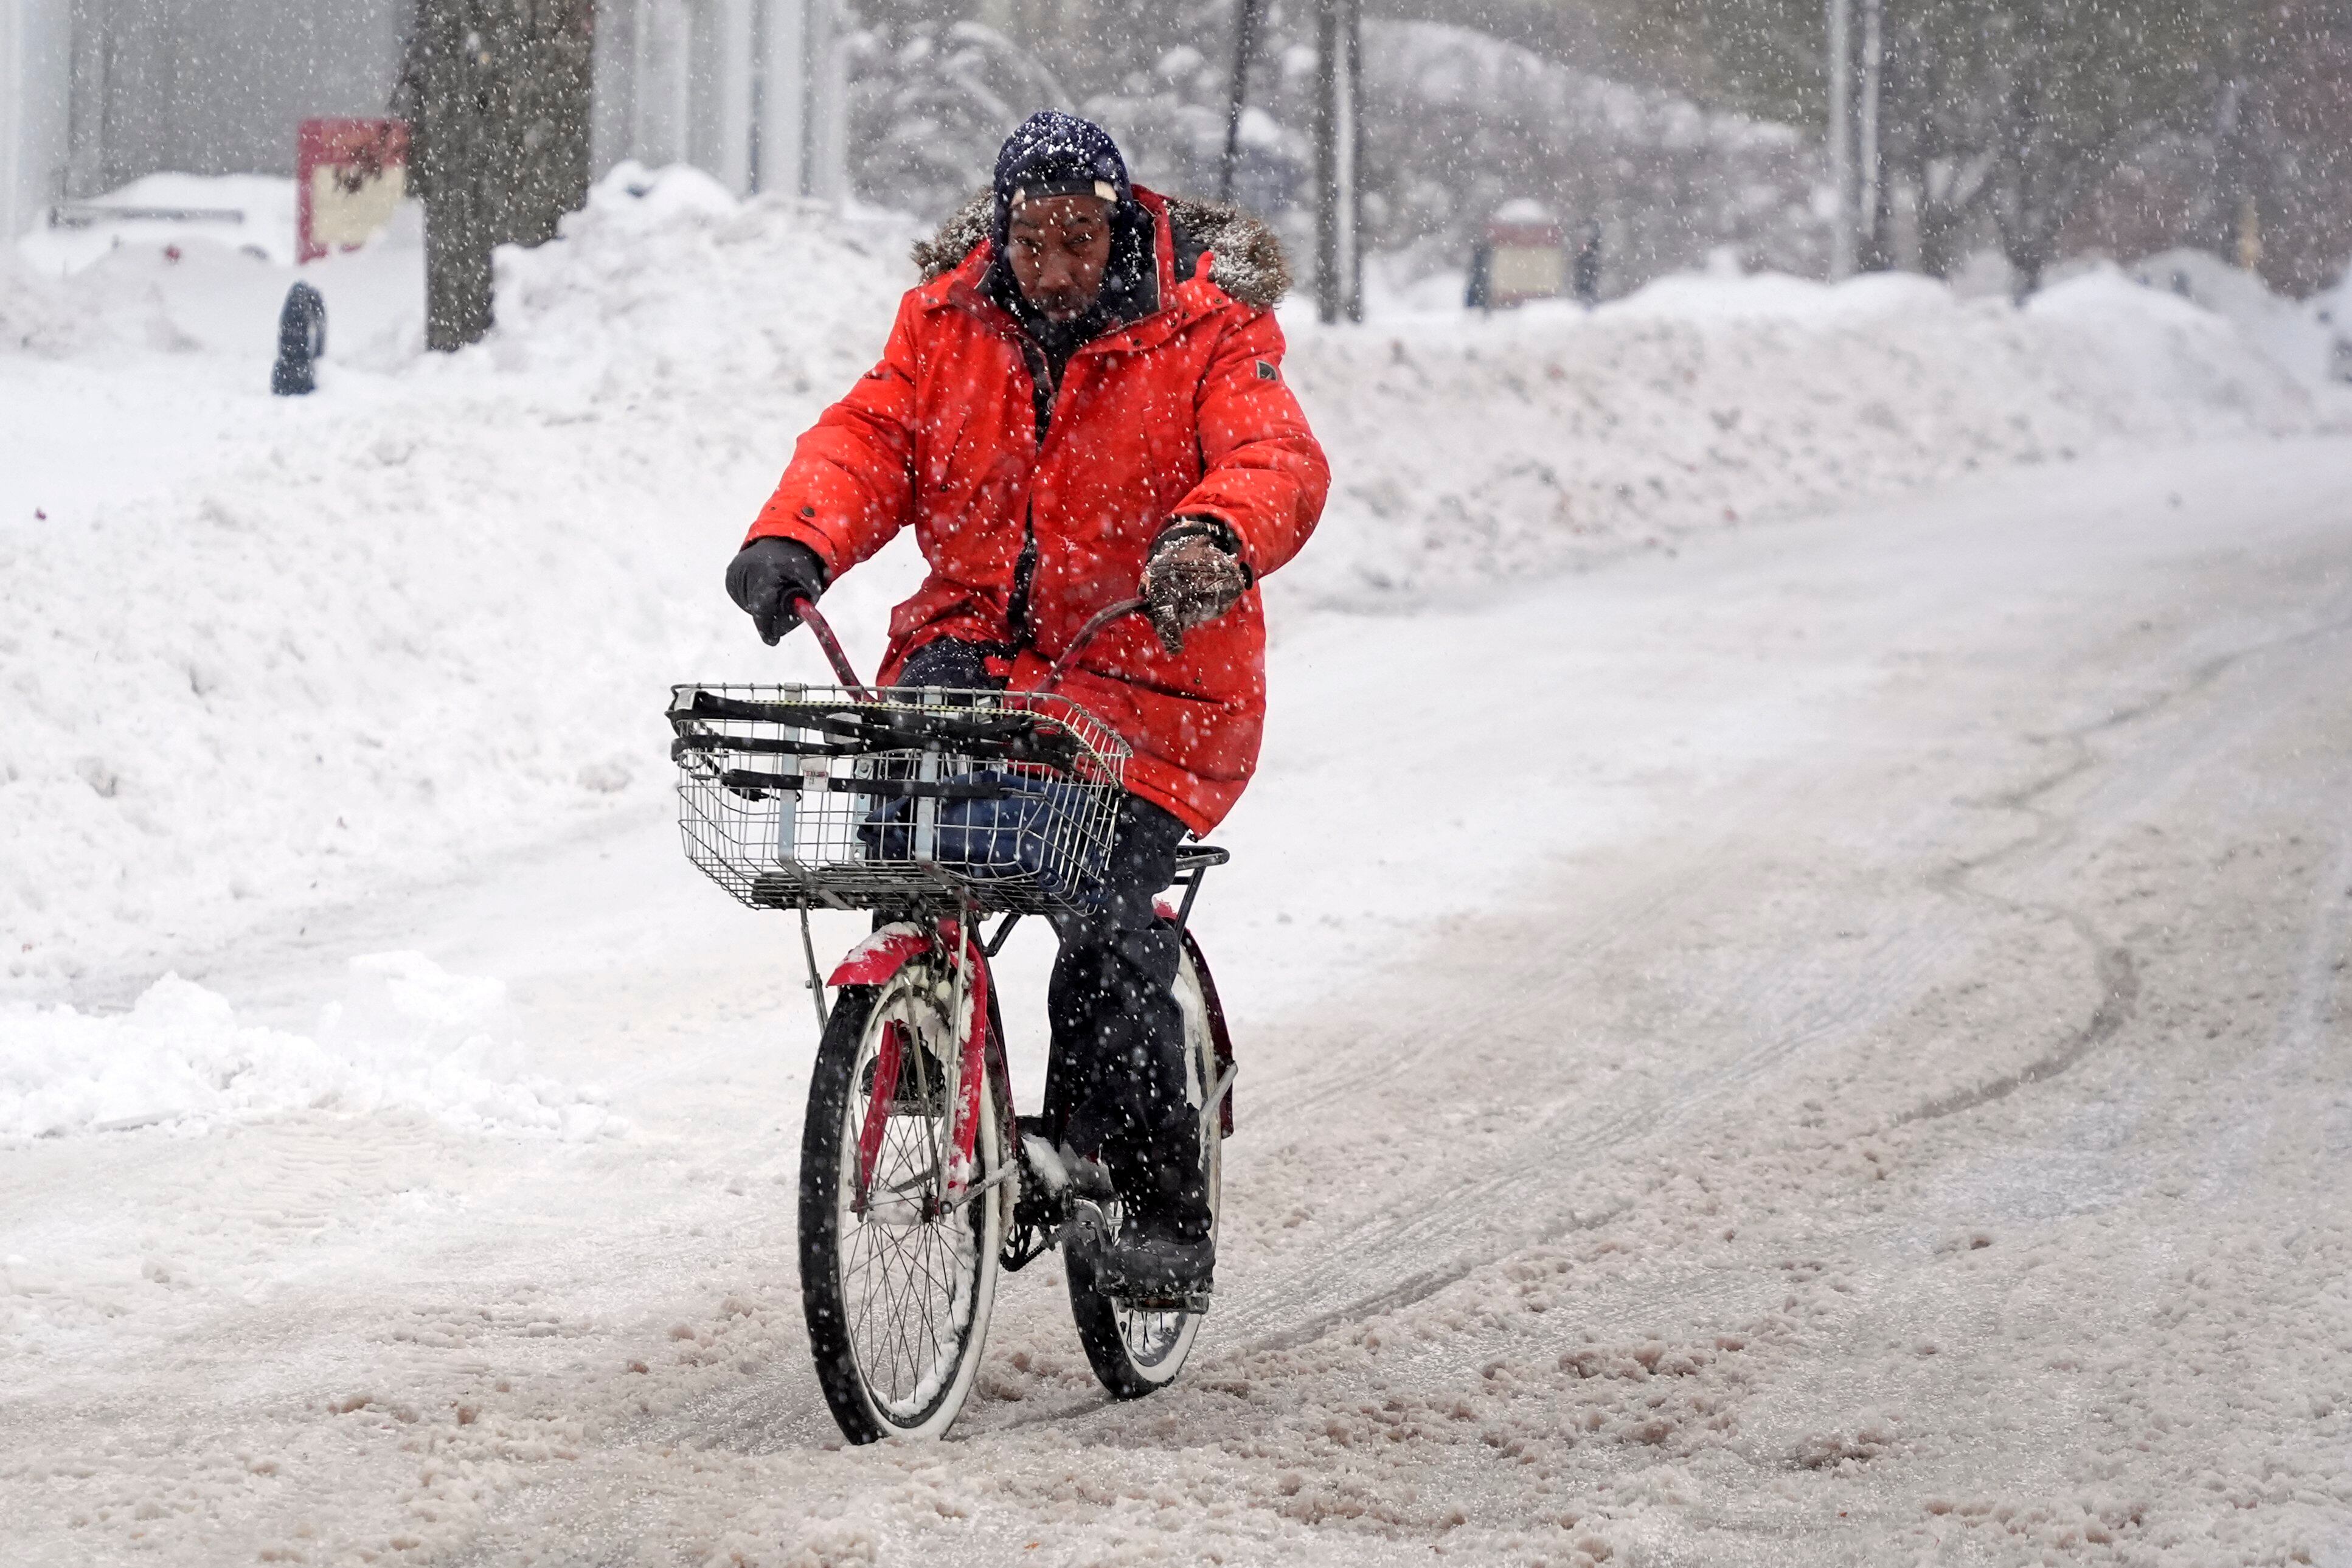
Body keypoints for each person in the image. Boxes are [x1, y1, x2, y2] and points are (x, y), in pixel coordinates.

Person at [724, 111, 1330, 1296]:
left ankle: (1155, 1198)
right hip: (980, 654)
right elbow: (870, 438)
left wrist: (1212, 537)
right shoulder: (947, 319)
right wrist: (797, 534)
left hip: (1149, 678)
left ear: (1118, 231)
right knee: (902, 793)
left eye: (1077, 241)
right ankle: (923, 1016)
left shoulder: (1207, 326)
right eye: (1031, 242)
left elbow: (1274, 455)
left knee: (1104, 931)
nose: (1052, 269)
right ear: (1000, 234)